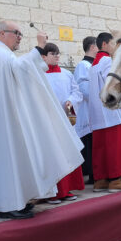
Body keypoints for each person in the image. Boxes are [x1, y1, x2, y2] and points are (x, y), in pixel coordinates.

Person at [0, 21, 84, 219]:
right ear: (2, 33)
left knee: (16, 158)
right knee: (8, 159)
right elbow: (20, 69)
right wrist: (39, 48)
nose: (20, 36)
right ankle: (8, 203)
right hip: (4, 121)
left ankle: (16, 201)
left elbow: (20, 71)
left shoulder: (3, 54)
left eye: (20, 33)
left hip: (8, 118)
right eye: (16, 33)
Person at [88, 32, 121, 192]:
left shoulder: (93, 65)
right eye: (112, 44)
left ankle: (101, 180)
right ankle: (116, 180)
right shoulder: (106, 61)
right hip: (111, 111)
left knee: (101, 148)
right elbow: (115, 83)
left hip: (98, 114)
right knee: (116, 147)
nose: (114, 47)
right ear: (104, 45)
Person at [42, 42, 85, 203]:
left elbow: (77, 92)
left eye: (58, 53)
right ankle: (53, 192)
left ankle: (67, 189)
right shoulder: (40, 75)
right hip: (49, 121)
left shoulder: (67, 74)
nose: (57, 56)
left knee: (68, 153)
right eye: (53, 53)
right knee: (53, 155)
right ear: (44, 57)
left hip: (66, 120)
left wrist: (70, 101)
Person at [73, 36, 97, 183]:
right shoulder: (83, 65)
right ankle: (93, 175)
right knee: (90, 144)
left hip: (96, 110)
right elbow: (83, 88)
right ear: (93, 47)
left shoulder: (94, 64)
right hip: (89, 111)